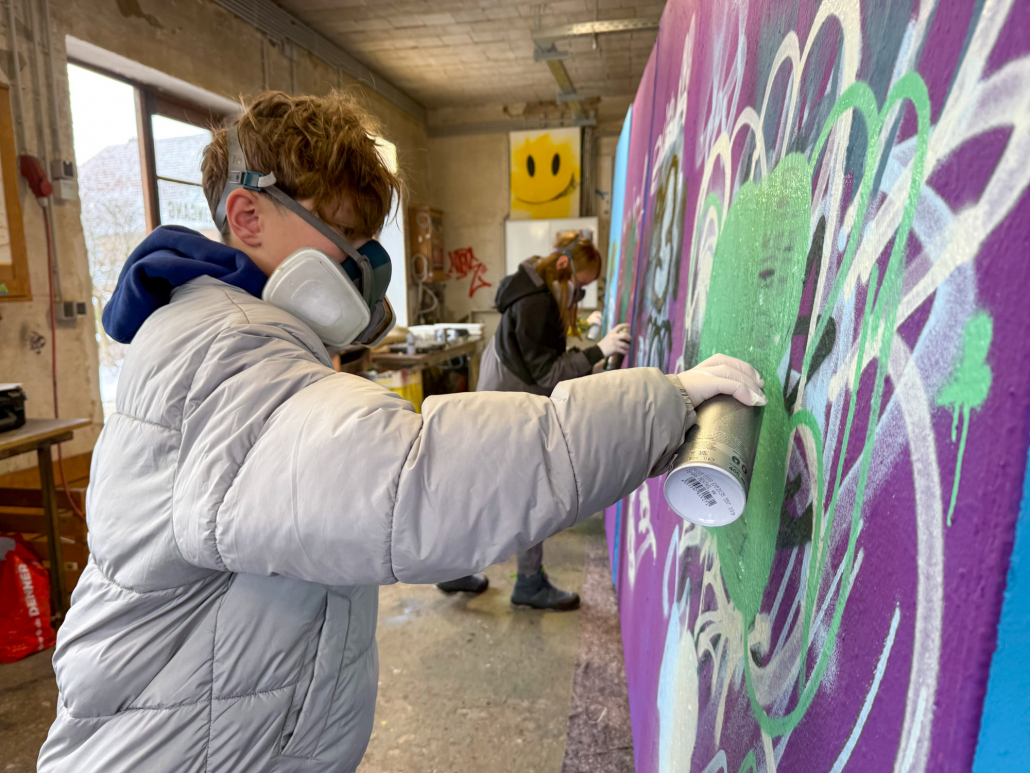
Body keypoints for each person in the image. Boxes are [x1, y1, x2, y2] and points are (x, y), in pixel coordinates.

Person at [38, 90, 767, 773]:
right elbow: (420, 481)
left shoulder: (230, 336)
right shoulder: (224, 358)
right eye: (343, 234)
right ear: (248, 216)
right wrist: (662, 402)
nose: (361, 264)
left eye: (367, 239)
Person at [436, 232, 632, 610]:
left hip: (499, 397)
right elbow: (547, 372)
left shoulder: (533, 288)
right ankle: (527, 582)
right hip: (507, 404)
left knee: (486, 487)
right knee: (529, 489)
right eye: (580, 288)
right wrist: (598, 350)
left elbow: (543, 356)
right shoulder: (538, 304)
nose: (579, 297)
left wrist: (588, 352)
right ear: (564, 268)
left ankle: (454, 566)